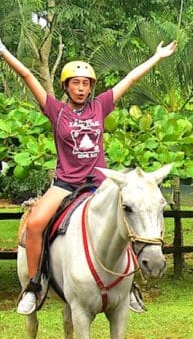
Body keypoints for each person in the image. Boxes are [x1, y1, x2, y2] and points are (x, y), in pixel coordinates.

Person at [0, 36, 178, 315]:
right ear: (66, 86)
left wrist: (157, 57)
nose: (81, 88)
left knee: (127, 220)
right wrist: (3, 51)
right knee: (34, 225)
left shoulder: (100, 106)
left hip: (100, 184)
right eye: (76, 83)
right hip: (66, 183)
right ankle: (34, 286)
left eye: (85, 84)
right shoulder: (55, 110)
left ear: (91, 87)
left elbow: (130, 79)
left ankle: (129, 286)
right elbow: (25, 74)